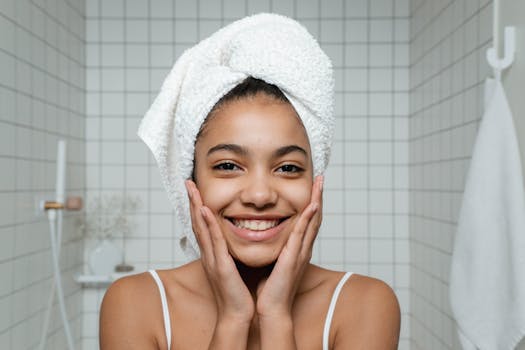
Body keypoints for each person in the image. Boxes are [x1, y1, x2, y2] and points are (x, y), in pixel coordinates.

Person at [100, 14, 400, 350]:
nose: (260, 195)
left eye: (287, 168)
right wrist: (233, 318)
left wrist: (275, 316)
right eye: (228, 165)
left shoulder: (364, 304)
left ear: (316, 182)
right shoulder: (136, 304)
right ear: (192, 182)